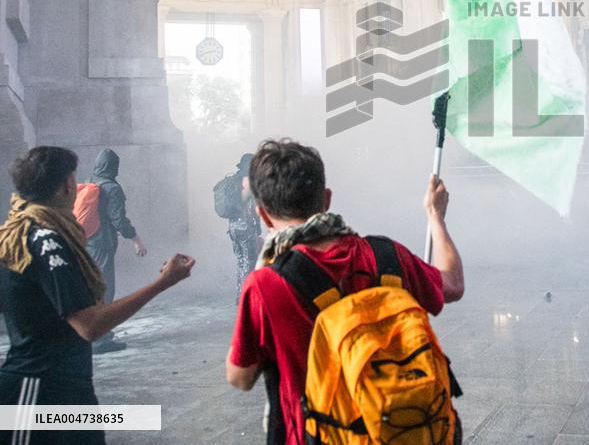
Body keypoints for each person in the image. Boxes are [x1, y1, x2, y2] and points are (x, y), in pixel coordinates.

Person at [225, 139, 464, 445]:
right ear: (326, 199)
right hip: (397, 430)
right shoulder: (387, 256)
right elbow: (453, 284)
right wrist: (436, 218)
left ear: (263, 215)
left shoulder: (265, 285)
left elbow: (240, 377)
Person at [0, 146, 194, 445]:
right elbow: (90, 325)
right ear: (67, 185)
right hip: (38, 392)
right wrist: (162, 283)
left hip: (68, 388)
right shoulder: (47, 242)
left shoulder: (18, 235)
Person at [86, 148, 147, 354]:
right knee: (105, 290)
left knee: (92, 289)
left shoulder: (90, 182)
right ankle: (100, 339)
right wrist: (136, 239)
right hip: (102, 244)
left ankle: (93, 334)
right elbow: (118, 220)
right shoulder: (111, 188)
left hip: (86, 243)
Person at [223, 153, 261, 300]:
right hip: (246, 226)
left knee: (240, 261)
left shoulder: (234, 181)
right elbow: (253, 208)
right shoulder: (248, 181)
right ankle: (246, 296)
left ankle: (240, 294)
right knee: (249, 262)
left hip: (233, 227)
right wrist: (258, 228)